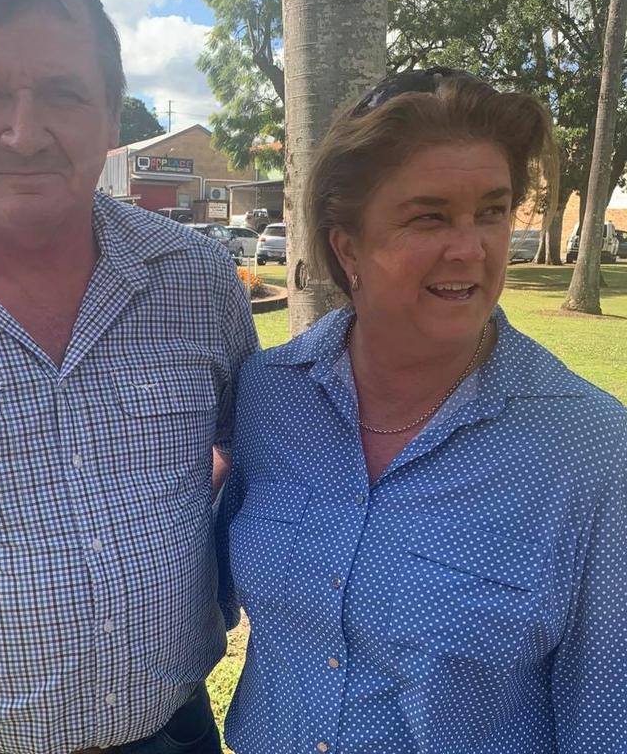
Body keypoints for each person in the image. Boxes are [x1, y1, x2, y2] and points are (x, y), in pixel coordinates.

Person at [0, 0, 258, 753]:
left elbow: (262, 462)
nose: (24, 131)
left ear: (111, 115)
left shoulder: (199, 280)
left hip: (168, 734)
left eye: (63, 93)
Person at [219, 68, 627, 754]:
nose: (470, 248)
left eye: (492, 212)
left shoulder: (589, 450)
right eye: (429, 216)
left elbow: (606, 718)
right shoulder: (268, 395)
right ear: (347, 245)